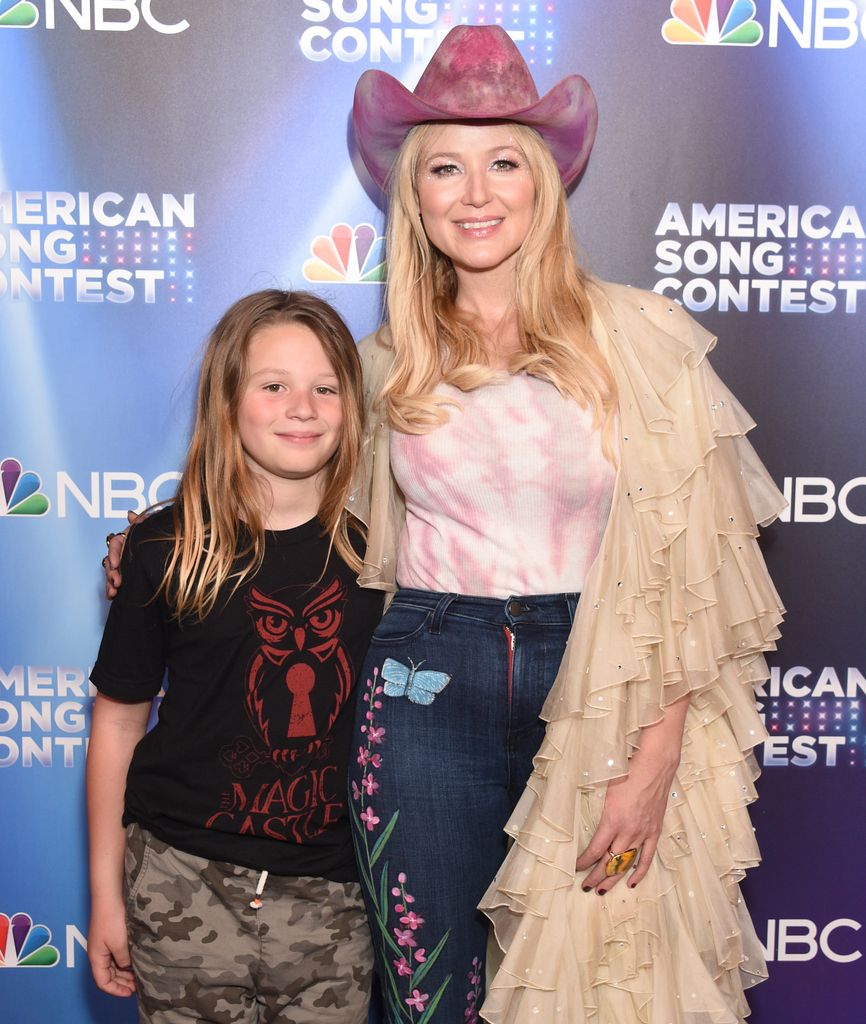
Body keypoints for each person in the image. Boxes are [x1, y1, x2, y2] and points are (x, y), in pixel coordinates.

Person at [345, 25, 785, 1024]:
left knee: (597, 991)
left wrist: (657, 749)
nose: (474, 193)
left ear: (542, 183)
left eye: (502, 162)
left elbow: (695, 573)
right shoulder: (384, 364)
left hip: (600, 685)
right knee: (429, 1001)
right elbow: (282, 495)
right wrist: (154, 544)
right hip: (423, 683)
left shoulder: (638, 338)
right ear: (411, 196)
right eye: (444, 169)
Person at [87, 290, 384, 1024]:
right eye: (274, 385)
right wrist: (103, 895)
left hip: (335, 900)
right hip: (180, 883)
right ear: (228, 400)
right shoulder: (165, 549)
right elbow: (118, 727)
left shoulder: (385, 560)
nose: (303, 407)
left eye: (326, 387)